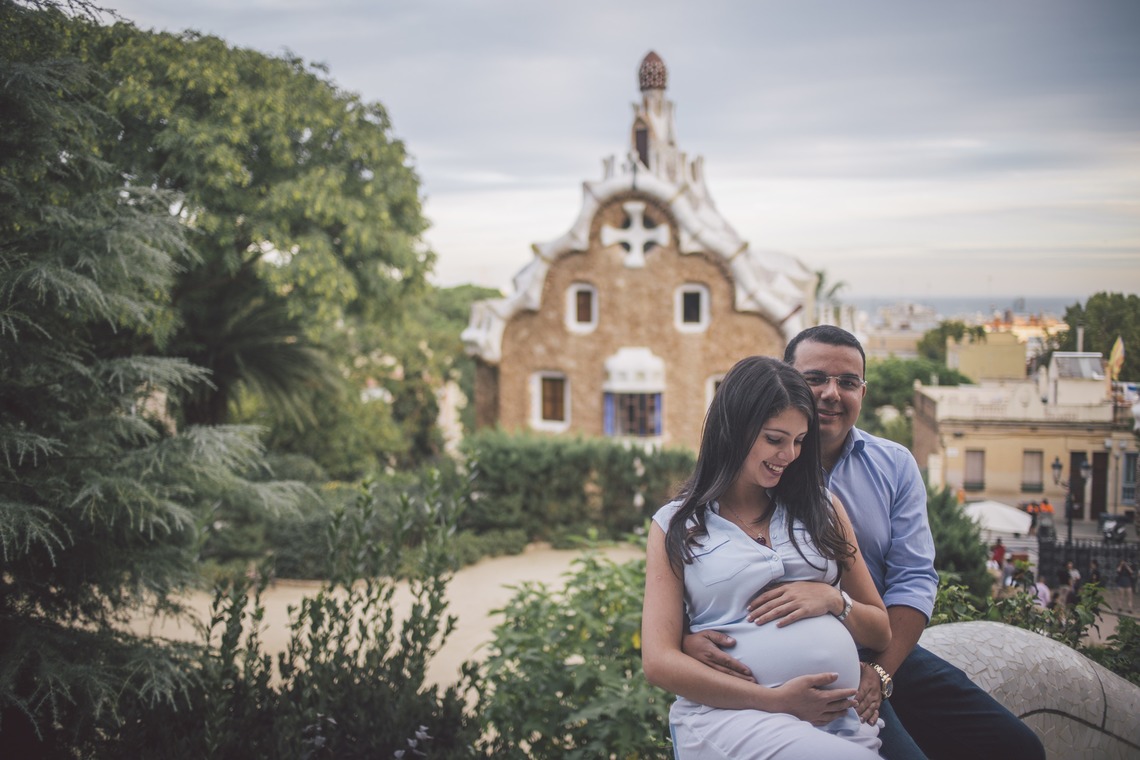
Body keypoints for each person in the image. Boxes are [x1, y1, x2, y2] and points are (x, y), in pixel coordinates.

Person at [684, 326, 1044, 760]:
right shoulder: (759, 470)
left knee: (1016, 747)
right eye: (815, 378)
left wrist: (879, 668)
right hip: (793, 672)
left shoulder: (893, 465)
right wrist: (688, 639)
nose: (832, 393)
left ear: (863, 392)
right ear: (787, 383)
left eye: (848, 382)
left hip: (884, 647)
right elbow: (708, 573)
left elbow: (913, 579)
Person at [641, 356, 891, 758]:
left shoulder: (822, 508)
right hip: (734, 717)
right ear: (734, 431)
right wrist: (778, 701)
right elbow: (658, 661)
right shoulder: (676, 525)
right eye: (775, 439)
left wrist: (832, 599)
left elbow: (880, 630)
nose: (789, 455)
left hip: (842, 724)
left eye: (799, 440)